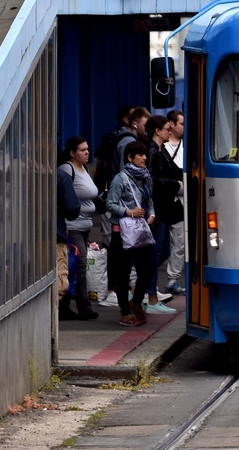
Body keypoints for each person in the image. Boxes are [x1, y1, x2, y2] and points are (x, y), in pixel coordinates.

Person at [106, 141, 157, 327]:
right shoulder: (121, 178)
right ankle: (124, 313)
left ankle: (136, 300)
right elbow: (109, 205)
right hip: (123, 232)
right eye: (140, 155)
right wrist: (130, 213)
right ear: (129, 157)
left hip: (142, 230)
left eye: (145, 155)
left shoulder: (145, 177)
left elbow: (149, 200)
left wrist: (151, 214)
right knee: (123, 272)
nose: (144, 158)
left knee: (150, 267)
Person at [59, 136, 100, 320]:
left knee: (75, 266)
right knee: (80, 265)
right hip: (72, 226)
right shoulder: (66, 169)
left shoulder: (84, 169)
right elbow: (65, 197)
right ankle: (83, 306)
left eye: (87, 149)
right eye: (82, 150)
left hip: (85, 226)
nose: (87, 152)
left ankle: (65, 305)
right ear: (72, 153)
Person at [143, 115, 180, 314]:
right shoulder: (151, 151)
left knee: (164, 251)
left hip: (165, 208)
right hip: (157, 209)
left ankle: (146, 289)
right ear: (157, 130)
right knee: (156, 252)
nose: (169, 130)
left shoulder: (161, 150)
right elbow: (152, 180)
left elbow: (172, 171)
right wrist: (175, 184)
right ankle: (151, 297)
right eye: (166, 128)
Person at [163, 110, 186, 297]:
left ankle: (172, 280)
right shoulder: (161, 148)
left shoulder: (187, 146)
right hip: (166, 200)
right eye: (181, 124)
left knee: (180, 243)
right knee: (161, 244)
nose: (184, 128)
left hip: (181, 201)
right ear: (171, 124)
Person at [55, 152, 81, 313]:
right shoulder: (60, 177)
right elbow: (72, 208)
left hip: (25, 237)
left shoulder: (21, 173)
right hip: (55, 235)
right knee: (60, 278)